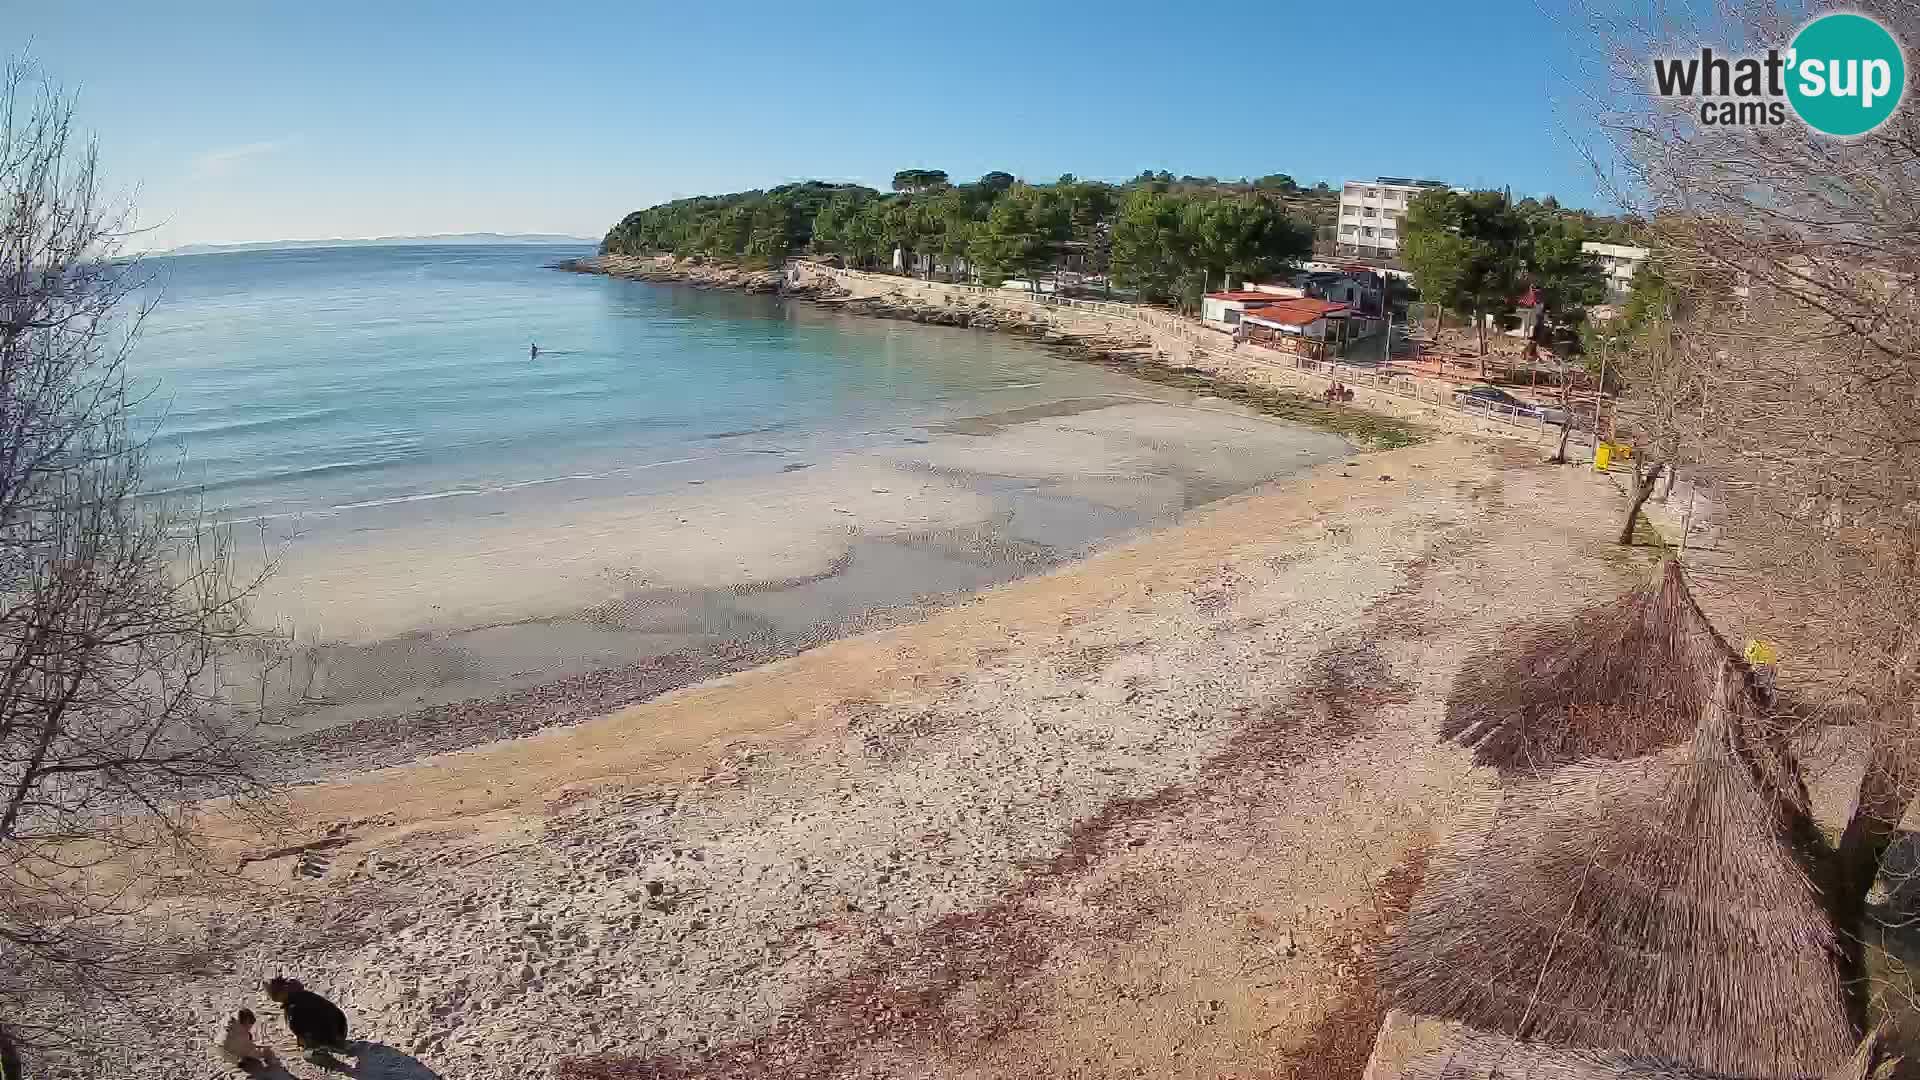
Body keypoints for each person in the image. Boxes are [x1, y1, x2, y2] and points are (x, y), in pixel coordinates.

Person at [265, 976, 352, 1061]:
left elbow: (300, 1033)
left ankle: (324, 1049)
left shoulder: (293, 1009)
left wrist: (304, 1042)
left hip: (332, 1034)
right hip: (342, 1027)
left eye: (273, 994)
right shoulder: (302, 994)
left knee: (307, 1054)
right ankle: (337, 1042)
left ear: (281, 993)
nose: (272, 997)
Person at [216, 1009, 279, 1075]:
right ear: (245, 1023)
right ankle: (241, 1061)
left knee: (244, 1045)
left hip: (220, 1047)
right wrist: (265, 1053)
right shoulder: (241, 1035)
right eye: (249, 1025)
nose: (250, 1028)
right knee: (266, 1052)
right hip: (230, 1054)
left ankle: (241, 1059)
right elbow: (250, 1050)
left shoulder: (232, 1024)